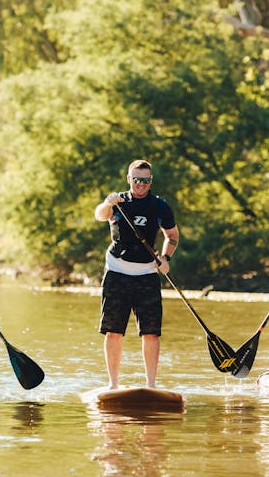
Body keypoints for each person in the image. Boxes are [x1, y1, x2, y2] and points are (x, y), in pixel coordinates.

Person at [94, 160, 179, 389]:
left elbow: (172, 236)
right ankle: (113, 385)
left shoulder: (160, 206)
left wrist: (165, 258)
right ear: (129, 179)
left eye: (145, 180)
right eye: (136, 180)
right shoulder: (119, 202)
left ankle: (150, 385)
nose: (140, 184)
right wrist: (107, 202)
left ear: (151, 182)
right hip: (117, 272)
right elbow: (100, 215)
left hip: (147, 274)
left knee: (150, 333)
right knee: (113, 332)